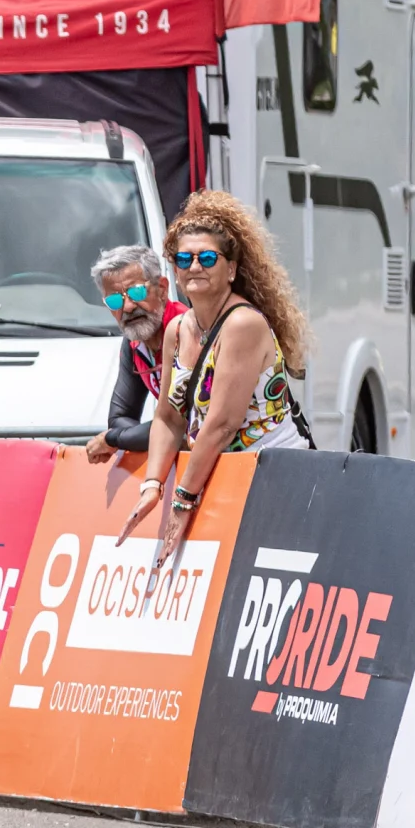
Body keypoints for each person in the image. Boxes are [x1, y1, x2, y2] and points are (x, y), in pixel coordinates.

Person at [118, 191, 310, 566]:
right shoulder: (176, 329)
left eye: (207, 258)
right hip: (223, 475)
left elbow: (221, 425)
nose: (195, 267)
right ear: (174, 270)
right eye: (184, 259)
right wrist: (153, 486)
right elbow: (169, 418)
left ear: (232, 270)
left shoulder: (243, 324)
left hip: (273, 477)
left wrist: (182, 500)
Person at [84, 245, 188, 463]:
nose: (128, 306)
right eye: (114, 301)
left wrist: (115, 439)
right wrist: (127, 436)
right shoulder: (134, 341)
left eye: (136, 292)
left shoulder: (187, 330)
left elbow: (184, 427)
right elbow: (119, 418)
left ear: (162, 288)